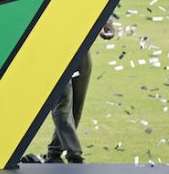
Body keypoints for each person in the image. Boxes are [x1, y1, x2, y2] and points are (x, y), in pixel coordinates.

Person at [46, 18, 116, 163]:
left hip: (79, 42)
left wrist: (106, 21)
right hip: (53, 44)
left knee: (77, 105)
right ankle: (74, 154)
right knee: (62, 101)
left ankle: (54, 152)